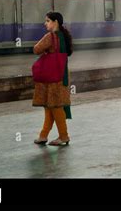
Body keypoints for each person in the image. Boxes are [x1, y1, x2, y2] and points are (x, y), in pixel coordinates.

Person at [33, 12, 73, 146]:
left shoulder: (50, 37)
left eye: (48, 21)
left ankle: (64, 136)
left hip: (52, 77)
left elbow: (36, 49)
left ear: (55, 22)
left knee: (55, 107)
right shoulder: (64, 36)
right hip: (62, 75)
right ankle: (43, 135)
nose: (45, 23)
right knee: (50, 106)